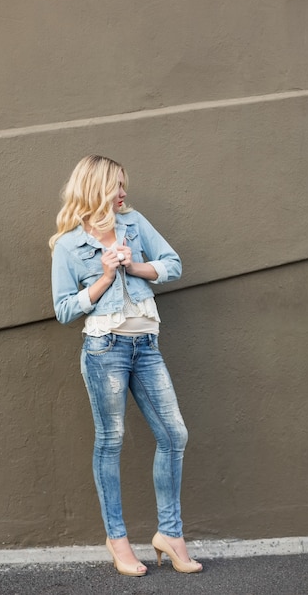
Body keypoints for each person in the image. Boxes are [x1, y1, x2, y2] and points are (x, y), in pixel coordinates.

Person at [49, 154, 202, 576]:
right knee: (111, 441)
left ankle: (169, 534)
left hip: (147, 345)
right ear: (96, 187)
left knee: (174, 434)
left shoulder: (134, 223)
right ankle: (117, 540)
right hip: (104, 350)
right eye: (117, 185)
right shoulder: (68, 245)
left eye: (124, 185)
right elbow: (63, 310)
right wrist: (101, 277)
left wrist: (134, 266)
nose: (123, 193)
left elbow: (173, 264)